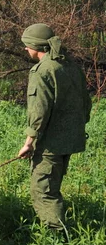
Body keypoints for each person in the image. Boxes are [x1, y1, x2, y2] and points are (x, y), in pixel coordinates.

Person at [17, 23, 91, 231]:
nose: (25, 49)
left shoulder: (42, 71)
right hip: (70, 140)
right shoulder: (70, 65)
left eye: (27, 45)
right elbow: (86, 103)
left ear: (36, 46)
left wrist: (29, 142)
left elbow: (39, 112)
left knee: (43, 192)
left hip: (51, 144)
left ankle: (58, 243)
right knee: (53, 187)